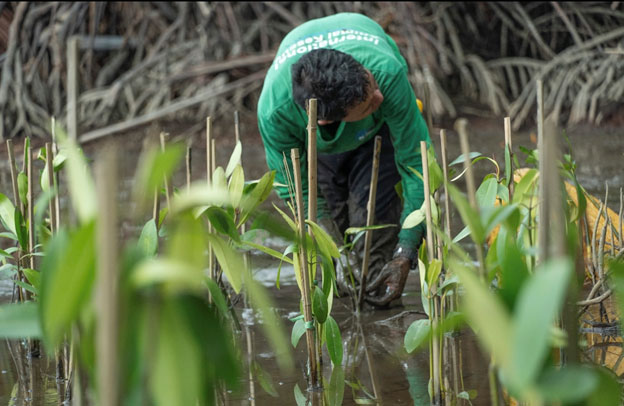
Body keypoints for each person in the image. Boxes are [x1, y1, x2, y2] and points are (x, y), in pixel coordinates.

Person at [257, 12, 431, 307]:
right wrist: (336, 250)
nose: (379, 96)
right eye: (369, 103)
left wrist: (406, 252)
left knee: (374, 260)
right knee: (335, 270)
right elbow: (298, 191)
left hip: (378, 137)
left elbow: (418, 165)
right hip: (319, 149)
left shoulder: (384, 74)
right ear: (324, 121)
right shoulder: (276, 113)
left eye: (371, 84)